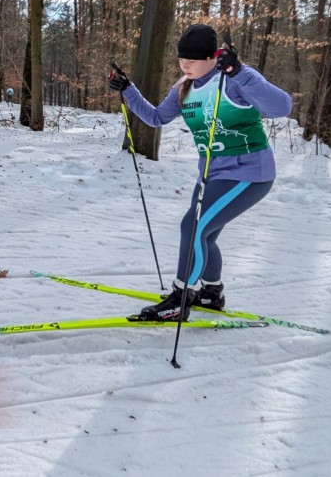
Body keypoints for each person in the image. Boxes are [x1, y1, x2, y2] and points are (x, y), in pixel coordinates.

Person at [108, 24, 292, 321]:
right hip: (211, 175)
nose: (185, 66)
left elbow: (282, 106)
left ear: (213, 57)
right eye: (181, 60)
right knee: (204, 235)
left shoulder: (234, 79)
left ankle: (181, 299)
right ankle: (210, 292)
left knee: (192, 228)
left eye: (191, 60)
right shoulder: (184, 87)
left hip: (249, 173)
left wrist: (239, 71)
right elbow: (156, 118)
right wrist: (128, 90)